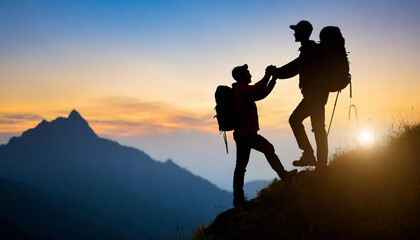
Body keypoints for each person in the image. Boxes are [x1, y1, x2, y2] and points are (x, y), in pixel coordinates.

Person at [231, 64, 297, 207]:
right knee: (267, 149)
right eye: (247, 72)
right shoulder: (241, 89)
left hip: (244, 133)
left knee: (241, 166)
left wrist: (273, 79)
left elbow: (262, 93)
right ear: (242, 76)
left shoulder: (244, 91)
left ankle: (238, 199)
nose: (250, 74)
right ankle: (284, 176)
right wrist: (267, 74)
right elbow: (257, 88)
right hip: (246, 134)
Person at [273, 20, 329, 169]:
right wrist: (277, 73)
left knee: (311, 124)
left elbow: (294, 67)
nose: (294, 33)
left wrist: (276, 72)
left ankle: (318, 162)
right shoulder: (309, 50)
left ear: (303, 32)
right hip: (314, 94)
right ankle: (314, 158)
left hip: (315, 94)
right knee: (310, 124)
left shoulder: (310, 50)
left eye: (296, 31)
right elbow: (295, 68)